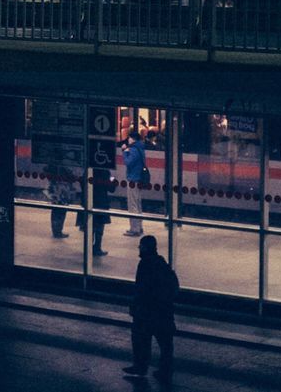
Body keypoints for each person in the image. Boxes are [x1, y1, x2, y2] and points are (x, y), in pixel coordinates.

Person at [124, 235, 178, 382]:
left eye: (140, 246)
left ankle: (140, 367)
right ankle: (165, 369)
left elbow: (141, 289)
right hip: (163, 311)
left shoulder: (144, 264)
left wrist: (135, 306)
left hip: (147, 311)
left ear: (145, 247)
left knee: (141, 339)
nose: (139, 249)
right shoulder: (161, 263)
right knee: (165, 343)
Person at [123, 130, 147, 236]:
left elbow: (128, 163)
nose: (128, 139)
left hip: (133, 179)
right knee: (138, 203)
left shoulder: (133, 149)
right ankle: (139, 227)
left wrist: (125, 151)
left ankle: (134, 229)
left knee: (132, 204)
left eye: (129, 138)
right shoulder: (141, 148)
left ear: (133, 139)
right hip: (139, 179)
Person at [46, 165, 77, 238]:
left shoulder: (53, 165)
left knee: (55, 211)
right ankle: (58, 231)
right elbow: (72, 177)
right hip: (63, 191)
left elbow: (46, 170)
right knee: (61, 212)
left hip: (55, 189)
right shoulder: (65, 166)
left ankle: (55, 231)